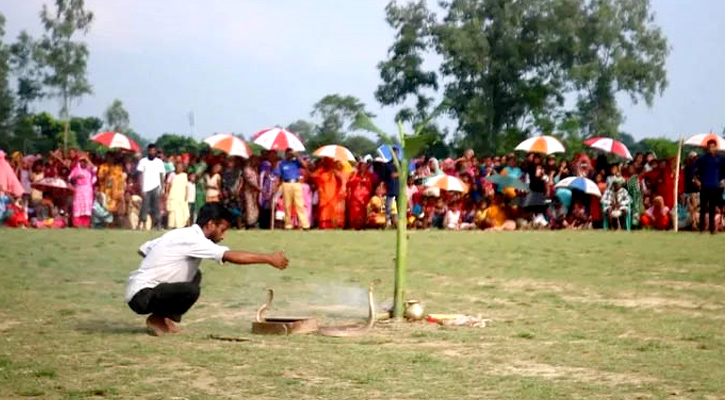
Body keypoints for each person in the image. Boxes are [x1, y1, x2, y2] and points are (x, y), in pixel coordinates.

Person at [125, 203, 289, 336]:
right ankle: (157, 319)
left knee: (195, 274)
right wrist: (269, 258)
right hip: (142, 296)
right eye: (222, 229)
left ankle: (164, 318)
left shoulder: (179, 233)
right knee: (191, 289)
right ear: (210, 224)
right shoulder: (194, 239)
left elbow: (144, 249)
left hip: (139, 290)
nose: (223, 236)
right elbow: (229, 255)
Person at [693, 140, 725, 234]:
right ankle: (702, 228)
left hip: (715, 186)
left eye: (713, 147)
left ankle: (712, 228)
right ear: (707, 148)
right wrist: (696, 180)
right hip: (704, 186)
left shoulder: (720, 159)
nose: (711, 149)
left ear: (716, 147)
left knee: (712, 208)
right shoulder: (703, 159)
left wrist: (723, 181)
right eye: (709, 147)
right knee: (703, 208)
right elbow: (694, 169)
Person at [274, 149, 310, 230]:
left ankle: (305, 224)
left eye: (291, 153)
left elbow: (305, 165)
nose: (290, 154)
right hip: (286, 183)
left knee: (300, 204)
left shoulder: (296, 162)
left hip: (296, 183)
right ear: (285, 154)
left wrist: (297, 155)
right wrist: (276, 186)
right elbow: (278, 175)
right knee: (287, 205)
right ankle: (288, 225)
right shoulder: (282, 163)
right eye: (288, 153)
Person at [136, 144, 166, 230]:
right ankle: (140, 225)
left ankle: (157, 225)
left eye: (154, 150)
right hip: (146, 188)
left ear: (156, 151)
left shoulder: (159, 162)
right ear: (148, 151)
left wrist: (162, 187)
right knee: (144, 207)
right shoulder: (143, 161)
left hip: (156, 187)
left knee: (156, 207)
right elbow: (140, 175)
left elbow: (161, 175)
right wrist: (142, 188)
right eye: (150, 150)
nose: (152, 152)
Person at [68, 155, 96, 228]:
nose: (83, 163)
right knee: (78, 206)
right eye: (81, 162)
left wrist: (87, 159)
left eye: (85, 162)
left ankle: (86, 223)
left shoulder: (89, 169)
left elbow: (95, 168)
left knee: (86, 206)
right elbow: (69, 178)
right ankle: (77, 223)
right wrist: (76, 177)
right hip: (79, 190)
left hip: (87, 191)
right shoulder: (76, 170)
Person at [346, 160, 373, 230]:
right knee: (355, 211)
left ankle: (362, 225)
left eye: (364, 166)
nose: (362, 168)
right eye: (361, 166)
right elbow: (349, 183)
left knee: (363, 212)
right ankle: (354, 225)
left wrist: (365, 182)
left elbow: (370, 185)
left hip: (365, 197)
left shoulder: (368, 175)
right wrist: (358, 180)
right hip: (355, 196)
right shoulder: (354, 174)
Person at [166, 163, 189, 229]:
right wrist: (167, 192)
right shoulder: (172, 175)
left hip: (181, 196)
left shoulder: (184, 175)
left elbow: (186, 186)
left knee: (181, 211)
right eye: (177, 167)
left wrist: (186, 195)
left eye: (180, 167)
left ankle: (180, 225)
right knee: (173, 211)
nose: (179, 168)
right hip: (173, 195)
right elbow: (168, 184)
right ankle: (171, 225)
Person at [242, 157, 261, 228]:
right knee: (250, 207)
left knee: (255, 207)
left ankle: (254, 222)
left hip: (255, 192)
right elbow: (250, 181)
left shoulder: (254, 169)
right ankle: (250, 223)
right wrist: (259, 189)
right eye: (254, 160)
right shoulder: (247, 169)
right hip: (249, 191)